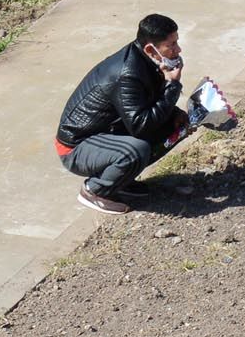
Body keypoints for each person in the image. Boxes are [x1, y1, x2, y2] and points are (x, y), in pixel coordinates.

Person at [55, 13, 188, 214]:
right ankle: (95, 190)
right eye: (171, 45)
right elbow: (141, 126)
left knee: (175, 124)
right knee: (136, 150)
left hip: (106, 133)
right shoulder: (128, 73)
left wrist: (175, 113)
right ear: (151, 49)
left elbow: (146, 104)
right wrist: (172, 85)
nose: (178, 49)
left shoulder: (147, 61)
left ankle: (121, 182)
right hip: (77, 148)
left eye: (177, 42)